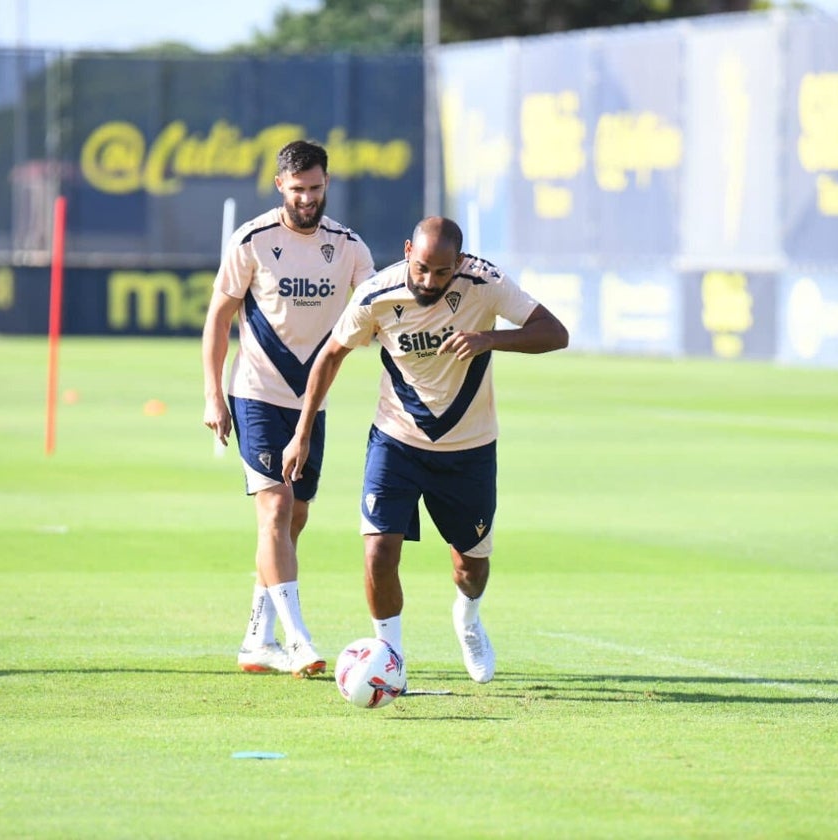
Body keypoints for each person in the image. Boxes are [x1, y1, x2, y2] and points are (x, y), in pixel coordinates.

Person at [281, 216, 568, 683]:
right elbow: (330, 355)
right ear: (407, 249)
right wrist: (302, 432)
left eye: (441, 272)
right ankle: (389, 658)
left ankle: (469, 619)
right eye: (421, 268)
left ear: (459, 263)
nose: (429, 281)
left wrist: (488, 339)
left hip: (469, 448)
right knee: (378, 551)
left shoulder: (486, 282)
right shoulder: (377, 293)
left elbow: (556, 333)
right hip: (396, 440)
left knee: (470, 569)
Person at [202, 139, 375, 677]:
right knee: (275, 511)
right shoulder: (252, 240)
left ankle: (258, 638)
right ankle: (298, 641)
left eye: (316, 189)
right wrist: (213, 393)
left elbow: (376, 312)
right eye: (298, 190)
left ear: (327, 184)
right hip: (254, 393)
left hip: (310, 405)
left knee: (291, 522)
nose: (307, 199)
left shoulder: (348, 248)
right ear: (280, 185)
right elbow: (218, 319)